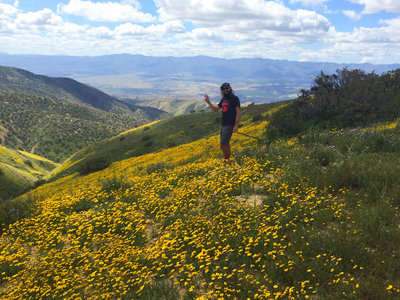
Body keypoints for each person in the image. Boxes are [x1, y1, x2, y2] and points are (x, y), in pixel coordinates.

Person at [204, 82, 241, 163]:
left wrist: (236, 125)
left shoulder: (234, 98)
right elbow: (216, 109)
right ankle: (228, 159)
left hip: (230, 124)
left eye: (226, 88)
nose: (225, 90)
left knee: (223, 143)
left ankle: (226, 160)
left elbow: (238, 112)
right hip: (223, 124)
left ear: (230, 88)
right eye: (223, 89)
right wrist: (208, 102)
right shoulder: (223, 99)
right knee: (224, 144)